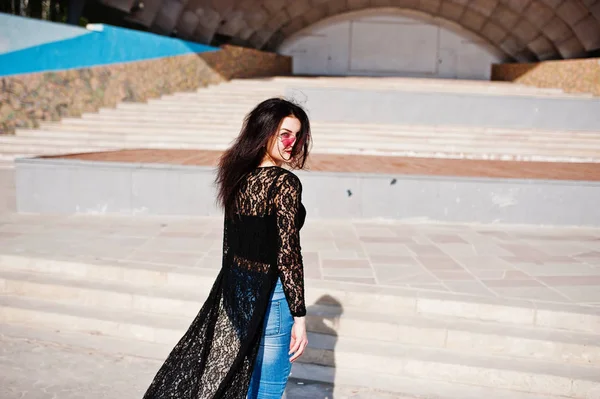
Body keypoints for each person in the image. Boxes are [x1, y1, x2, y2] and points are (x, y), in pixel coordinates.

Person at [142, 98, 312, 399]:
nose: (292, 143)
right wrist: (299, 316)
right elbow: (287, 255)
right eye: (285, 134)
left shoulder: (237, 176)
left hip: (240, 290)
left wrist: (231, 294)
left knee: (243, 381)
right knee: (268, 389)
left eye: (297, 136)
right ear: (265, 132)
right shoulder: (284, 183)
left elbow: (231, 247)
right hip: (272, 295)